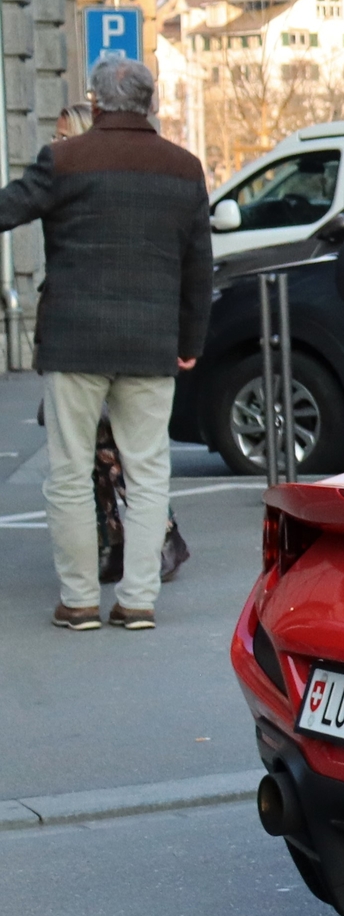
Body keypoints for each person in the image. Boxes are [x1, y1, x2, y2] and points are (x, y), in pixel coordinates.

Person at [0, 57, 212, 630]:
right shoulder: (185, 169)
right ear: (151, 103)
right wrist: (190, 339)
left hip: (75, 341)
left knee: (68, 472)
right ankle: (138, 601)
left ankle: (79, 601)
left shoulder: (65, 159)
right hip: (151, 344)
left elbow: (9, 209)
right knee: (148, 473)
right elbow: (199, 267)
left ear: (95, 104)